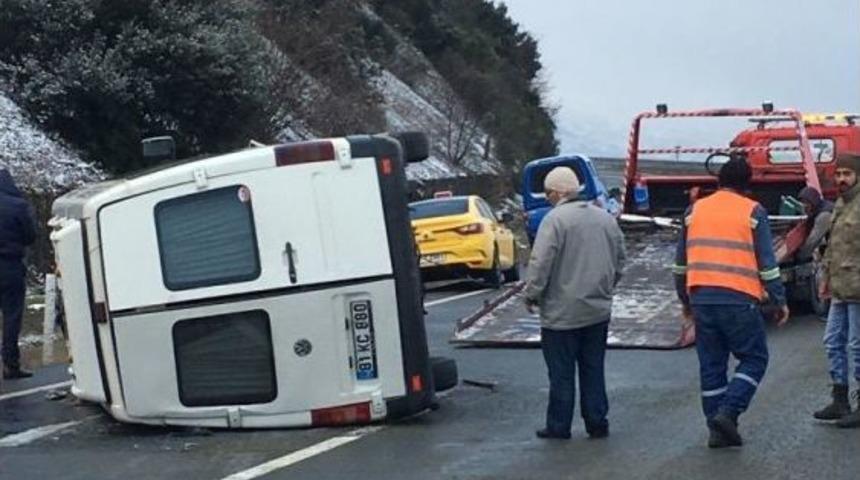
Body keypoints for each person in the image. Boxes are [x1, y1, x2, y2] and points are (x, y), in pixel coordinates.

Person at [672, 155, 790, 448]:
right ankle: (729, 412)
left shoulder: (693, 210)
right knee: (754, 359)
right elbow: (767, 264)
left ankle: (717, 431)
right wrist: (779, 299)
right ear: (747, 185)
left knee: (712, 366)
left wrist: (685, 299)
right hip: (738, 298)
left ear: (719, 181)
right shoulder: (753, 211)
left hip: (701, 298)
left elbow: (680, 264)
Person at [524, 166, 626, 440]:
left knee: (561, 372)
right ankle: (597, 421)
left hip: (561, 313)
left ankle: (559, 426)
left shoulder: (554, 221)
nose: (547, 198)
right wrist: (606, 288)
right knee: (593, 368)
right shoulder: (605, 219)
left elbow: (540, 263)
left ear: (557, 192)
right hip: (597, 310)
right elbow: (620, 260)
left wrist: (532, 294)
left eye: (548, 193)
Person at [814, 152, 860, 428]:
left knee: (857, 345)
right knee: (832, 342)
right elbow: (832, 245)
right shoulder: (840, 205)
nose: (842, 179)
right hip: (839, 288)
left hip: (857, 287)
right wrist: (825, 278)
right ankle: (839, 399)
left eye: (847, 174)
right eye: (839, 173)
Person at [1, 168, 36, 379]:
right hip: (9, 267)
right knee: (11, 316)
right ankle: (10, 365)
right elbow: (29, 235)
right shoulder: (18, 205)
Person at [796, 186, 833, 260]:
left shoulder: (824, 215)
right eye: (802, 202)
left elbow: (813, 240)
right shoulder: (819, 208)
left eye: (806, 202)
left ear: (813, 202)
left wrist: (801, 255)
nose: (804, 206)